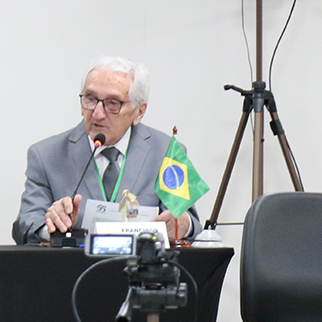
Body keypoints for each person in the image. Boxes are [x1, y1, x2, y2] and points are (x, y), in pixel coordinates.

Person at [13, 56, 199, 245]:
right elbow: (24, 225)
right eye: (91, 99)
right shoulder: (46, 155)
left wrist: (184, 224)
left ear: (139, 112)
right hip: (75, 270)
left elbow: (191, 225)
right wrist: (52, 227)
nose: (97, 114)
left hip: (143, 271)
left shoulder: (169, 153)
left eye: (113, 103)